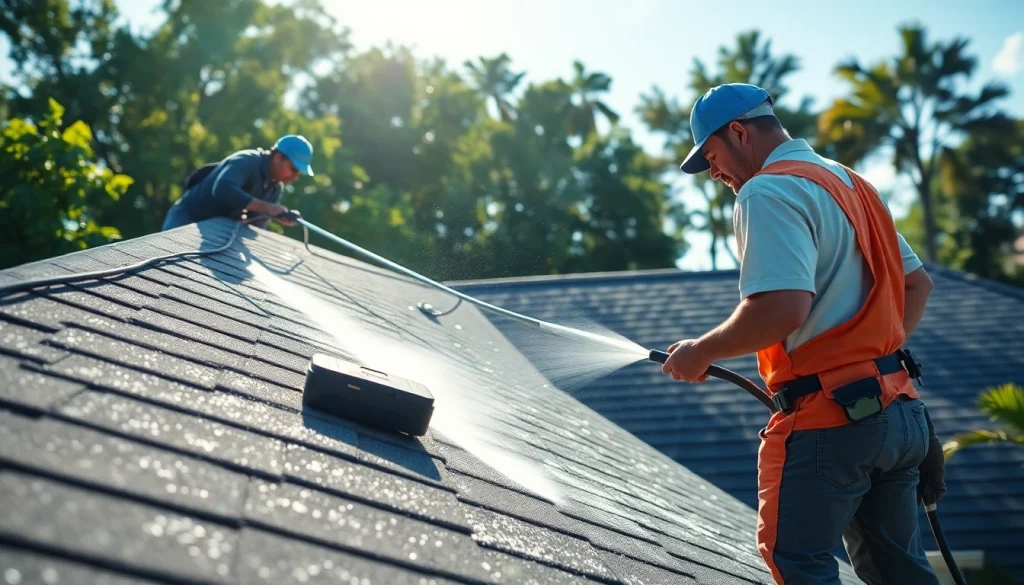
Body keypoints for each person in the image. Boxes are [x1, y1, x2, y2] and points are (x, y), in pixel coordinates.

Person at [661, 83, 946, 585]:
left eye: (712, 158)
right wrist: (874, 360)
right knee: (898, 571)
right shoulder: (851, 184)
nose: (717, 175)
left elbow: (781, 309)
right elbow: (916, 284)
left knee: (797, 563)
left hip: (834, 422)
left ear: (739, 133)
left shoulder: (767, 190)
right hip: (901, 415)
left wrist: (700, 351)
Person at [161, 134, 313, 231]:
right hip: (187, 218)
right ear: (278, 157)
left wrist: (275, 216)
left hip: (216, 229)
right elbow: (222, 189)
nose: (295, 177)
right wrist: (267, 207)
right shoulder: (247, 161)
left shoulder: (275, 189)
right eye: (293, 169)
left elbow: (254, 225)